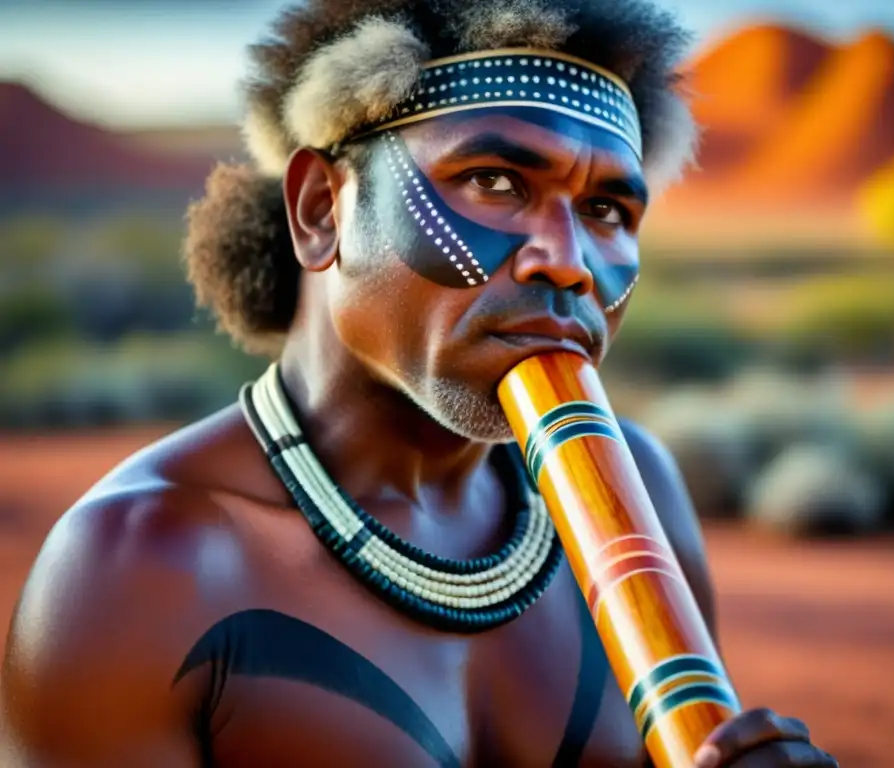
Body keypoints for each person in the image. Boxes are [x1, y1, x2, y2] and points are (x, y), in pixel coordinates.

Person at [1, 0, 838, 765]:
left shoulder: (643, 488)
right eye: (497, 181)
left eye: (607, 210)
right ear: (322, 209)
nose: (569, 261)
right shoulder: (139, 568)